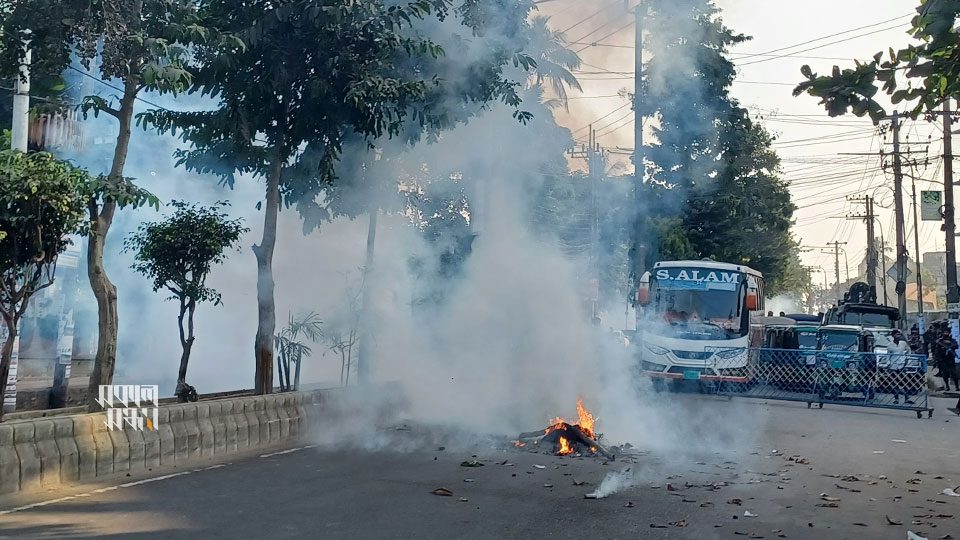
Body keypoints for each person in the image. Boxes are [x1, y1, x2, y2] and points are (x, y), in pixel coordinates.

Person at [888, 329, 913, 404]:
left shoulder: (903, 343)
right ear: (893, 336)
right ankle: (896, 399)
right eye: (896, 335)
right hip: (893, 366)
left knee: (905, 382)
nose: (898, 336)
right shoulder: (890, 345)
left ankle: (907, 398)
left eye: (899, 335)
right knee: (894, 383)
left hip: (902, 365)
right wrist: (888, 364)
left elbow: (909, 350)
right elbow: (888, 355)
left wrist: (907, 359)